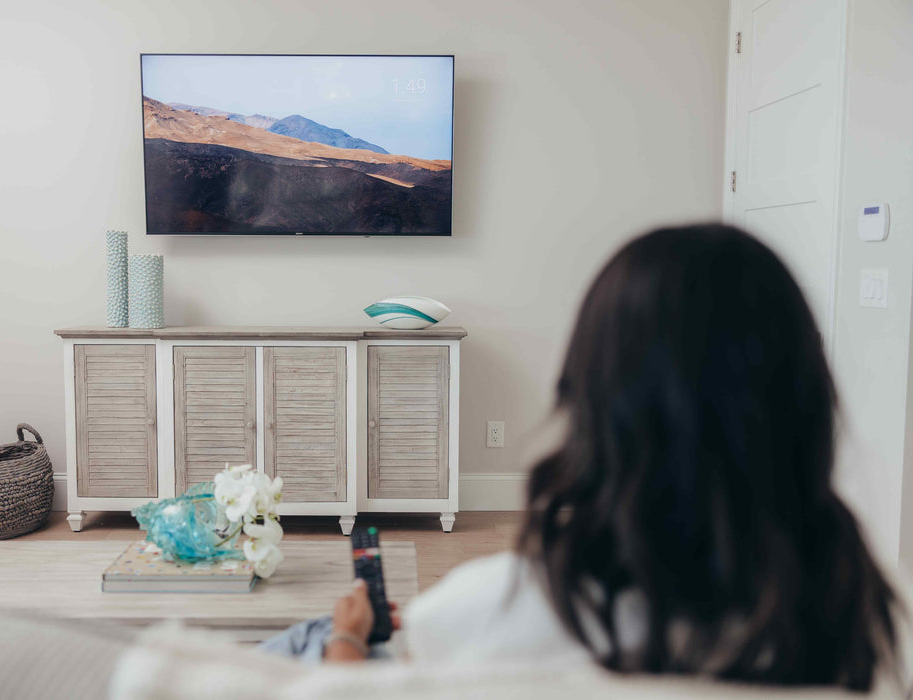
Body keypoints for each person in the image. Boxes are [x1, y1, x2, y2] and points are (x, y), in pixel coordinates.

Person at [275, 224, 905, 692]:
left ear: (594, 400)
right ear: (805, 398)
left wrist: (349, 637)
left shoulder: (483, 611)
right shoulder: (872, 624)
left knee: (306, 642)